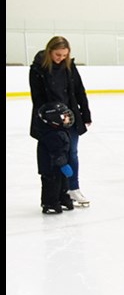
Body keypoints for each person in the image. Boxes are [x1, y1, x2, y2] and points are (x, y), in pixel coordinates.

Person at [29, 36, 92, 207]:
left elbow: (80, 90)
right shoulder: (38, 69)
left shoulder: (69, 66)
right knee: (58, 154)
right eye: (58, 55)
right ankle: (57, 194)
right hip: (50, 119)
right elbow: (37, 97)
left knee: (72, 152)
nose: (61, 58)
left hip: (71, 117)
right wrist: (51, 115)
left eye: (64, 55)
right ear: (49, 52)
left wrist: (85, 114)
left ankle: (73, 188)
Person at [32, 103, 77, 214]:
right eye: (63, 116)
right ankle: (50, 202)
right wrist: (63, 164)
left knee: (63, 182)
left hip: (58, 164)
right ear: (54, 119)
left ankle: (62, 198)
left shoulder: (59, 131)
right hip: (50, 166)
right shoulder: (50, 135)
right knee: (51, 184)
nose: (67, 119)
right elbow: (56, 153)